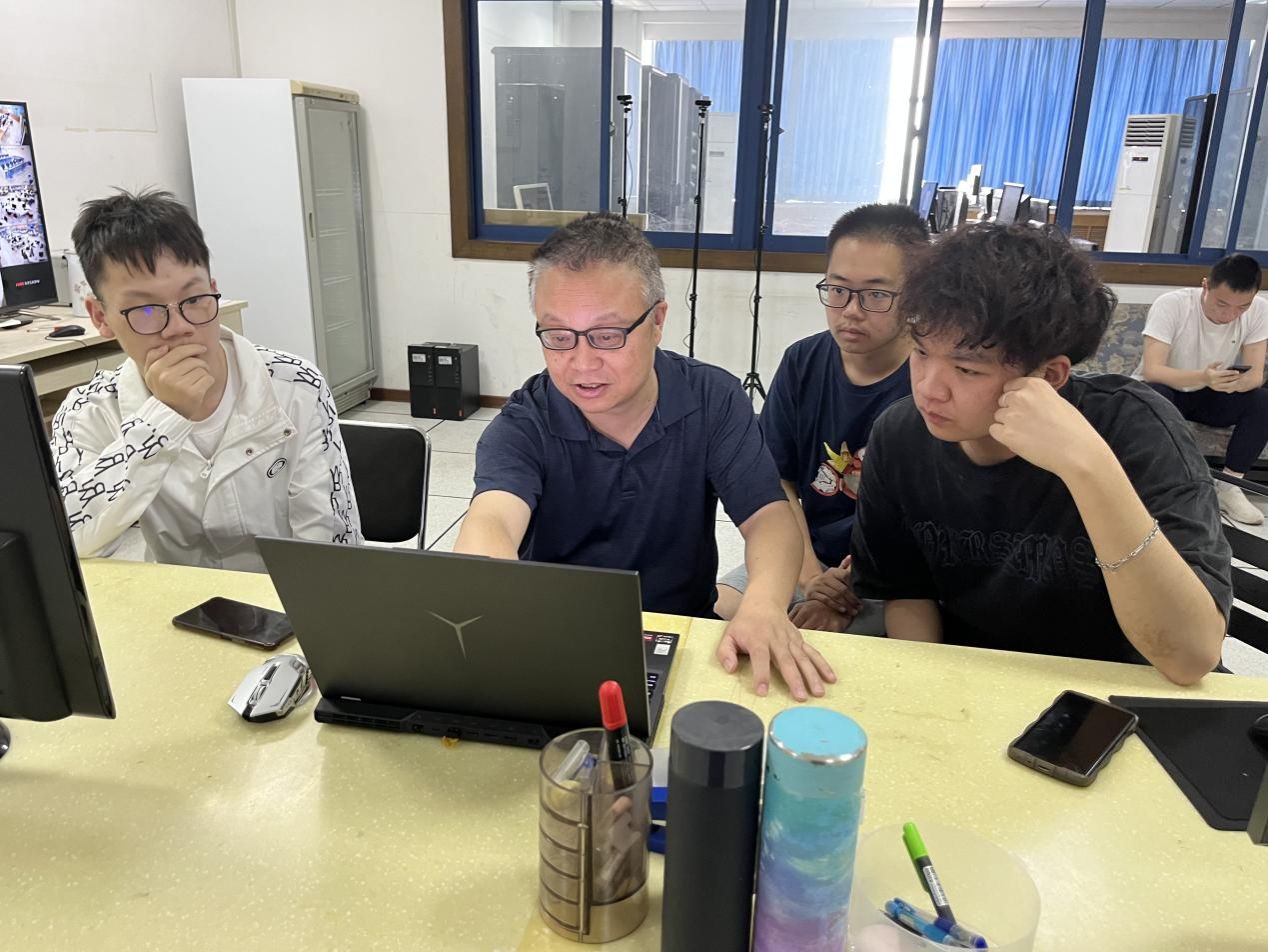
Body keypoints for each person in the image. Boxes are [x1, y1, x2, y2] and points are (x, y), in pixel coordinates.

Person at [455, 212, 835, 700]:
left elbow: (768, 518)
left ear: (657, 321)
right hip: (561, 639)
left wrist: (763, 606)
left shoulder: (711, 399)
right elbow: (491, 521)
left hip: (685, 630)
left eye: (608, 334)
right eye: (559, 336)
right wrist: (491, 600)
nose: (582, 362)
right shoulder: (525, 424)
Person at [851, 223, 1231, 686]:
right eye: (921, 352)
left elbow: (1191, 657)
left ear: (1049, 377)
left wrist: (1088, 468)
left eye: (967, 369)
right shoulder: (900, 436)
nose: (930, 389)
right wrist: (934, 689)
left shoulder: (1132, 427)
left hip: (1122, 691)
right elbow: (908, 593)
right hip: (979, 681)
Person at [51, 188, 361, 572]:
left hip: (284, 597)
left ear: (214, 290)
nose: (179, 327)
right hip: (175, 601)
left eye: (194, 299)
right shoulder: (88, 411)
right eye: (145, 309)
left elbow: (333, 550)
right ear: (100, 317)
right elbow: (67, 540)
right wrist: (163, 418)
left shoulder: (295, 386)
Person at [716, 203, 928, 633]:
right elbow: (778, 482)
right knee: (712, 612)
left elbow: (920, 523)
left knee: (831, 646)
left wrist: (844, 589)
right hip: (802, 557)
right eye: (837, 289)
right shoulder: (803, 361)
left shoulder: (931, 380)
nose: (850, 310)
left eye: (875, 295)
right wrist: (811, 579)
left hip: (892, 577)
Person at [1137, 253, 1268, 525]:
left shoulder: (1259, 310)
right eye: (1222, 304)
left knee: (1262, 401)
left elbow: (1255, 375)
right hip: (1168, 387)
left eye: (1241, 307)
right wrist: (1203, 377)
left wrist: (1234, 382)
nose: (1229, 315)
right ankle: (1160, 486)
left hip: (1213, 391)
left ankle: (1229, 486)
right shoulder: (1172, 305)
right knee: (1156, 393)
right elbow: (1152, 370)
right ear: (1205, 285)